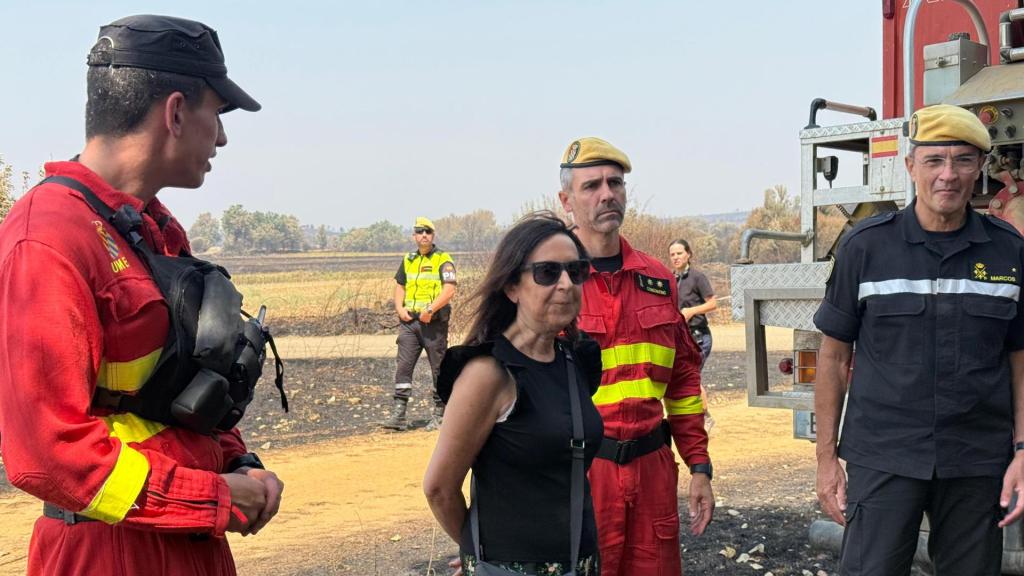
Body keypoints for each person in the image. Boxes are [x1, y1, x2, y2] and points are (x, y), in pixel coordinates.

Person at [0, 15, 282, 576]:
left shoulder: (151, 228)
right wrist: (214, 498)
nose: (222, 138)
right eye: (217, 115)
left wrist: (237, 461)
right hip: (109, 552)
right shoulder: (50, 235)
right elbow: (45, 454)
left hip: (188, 543)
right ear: (176, 112)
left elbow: (186, 382)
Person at [813, 104, 1024, 575]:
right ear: (910, 166)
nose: (948, 174)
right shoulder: (865, 248)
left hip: (974, 459)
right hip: (884, 455)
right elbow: (832, 358)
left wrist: (1022, 453)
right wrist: (826, 459)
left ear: (981, 169)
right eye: (934, 160)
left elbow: (1019, 357)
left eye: (963, 160)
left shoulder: (1009, 251)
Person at [557, 137, 714, 575]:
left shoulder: (658, 279)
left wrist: (699, 466)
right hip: (581, 477)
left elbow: (683, 383)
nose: (607, 194)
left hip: (652, 474)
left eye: (615, 183)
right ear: (566, 200)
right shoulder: (549, 280)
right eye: (591, 186)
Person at [423, 212, 605, 575]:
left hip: (579, 564)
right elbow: (439, 488)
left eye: (576, 271)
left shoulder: (575, 361)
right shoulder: (487, 374)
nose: (566, 284)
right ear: (511, 287)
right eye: (547, 272)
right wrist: (477, 552)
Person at [381, 216, 457, 431]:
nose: (424, 235)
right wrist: (399, 308)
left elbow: (449, 289)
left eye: (428, 232)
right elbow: (400, 285)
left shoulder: (443, 259)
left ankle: (441, 413)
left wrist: (431, 309)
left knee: (438, 368)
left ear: (433, 236)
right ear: (414, 235)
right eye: (420, 231)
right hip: (409, 323)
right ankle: (399, 414)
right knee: (403, 366)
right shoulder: (409, 259)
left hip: (433, 323)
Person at [668, 238, 718, 431]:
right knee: (683, 378)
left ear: (688, 254)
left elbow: (713, 303)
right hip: (680, 338)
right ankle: (692, 417)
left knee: (692, 376)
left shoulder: (697, 277)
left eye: (679, 253)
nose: (676, 257)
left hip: (699, 337)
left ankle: (705, 418)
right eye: (672, 254)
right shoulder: (671, 280)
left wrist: (691, 311)